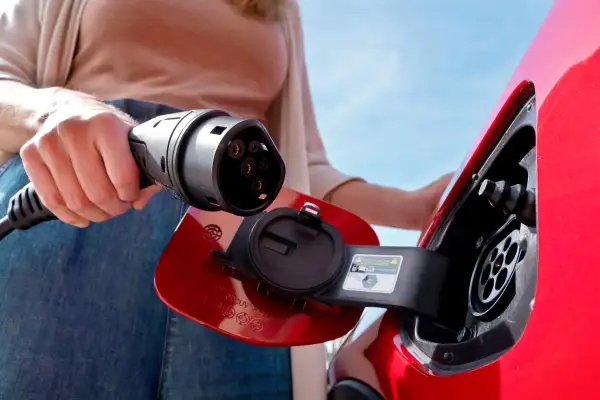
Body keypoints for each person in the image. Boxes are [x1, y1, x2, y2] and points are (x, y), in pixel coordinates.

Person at [0, 0, 452, 399]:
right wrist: (59, 110)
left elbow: (305, 165)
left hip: (245, 257)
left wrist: (413, 208)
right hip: (79, 204)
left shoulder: (277, 8)